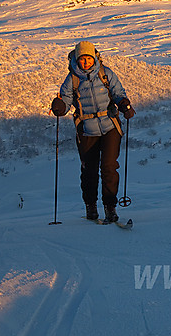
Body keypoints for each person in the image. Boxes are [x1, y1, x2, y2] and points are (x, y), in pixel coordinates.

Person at [50, 41, 135, 222]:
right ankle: (91, 206)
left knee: (109, 167)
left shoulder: (106, 74)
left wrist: (124, 104)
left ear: (94, 57)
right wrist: (60, 107)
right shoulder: (71, 79)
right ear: (76, 59)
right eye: (82, 59)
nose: (86, 62)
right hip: (87, 129)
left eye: (88, 58)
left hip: (110, 125)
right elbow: (65, 101)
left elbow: (118, 92)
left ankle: (110, 207)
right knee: (89, 170)